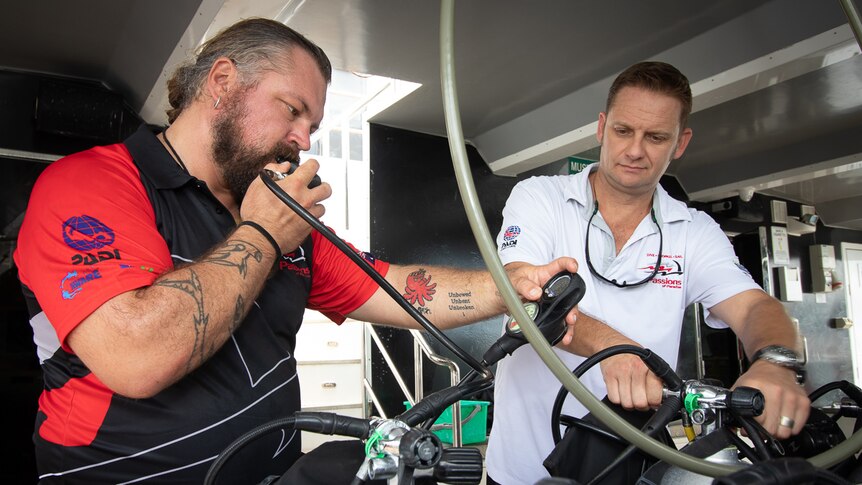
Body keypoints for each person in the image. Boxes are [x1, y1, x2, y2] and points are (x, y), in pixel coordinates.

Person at [13, 18, 579, 484]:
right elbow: (134, 356)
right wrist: (262, 234)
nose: (304, 139)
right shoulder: (93, 183)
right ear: (222, 82)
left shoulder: (283, 223)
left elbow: (400, 290)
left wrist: (510, 286)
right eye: (292, 109)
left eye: (313, 124)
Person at [485, 61, 811, 485]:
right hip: (520, 469)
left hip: (630, 470)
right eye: (624, 131)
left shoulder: (694, 230)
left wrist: (774, 361)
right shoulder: (540, 197)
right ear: (602, 127)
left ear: (680, 142)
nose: (636, 150)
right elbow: (523, 295)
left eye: (656, 137)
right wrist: (615, 348)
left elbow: (753, 308)